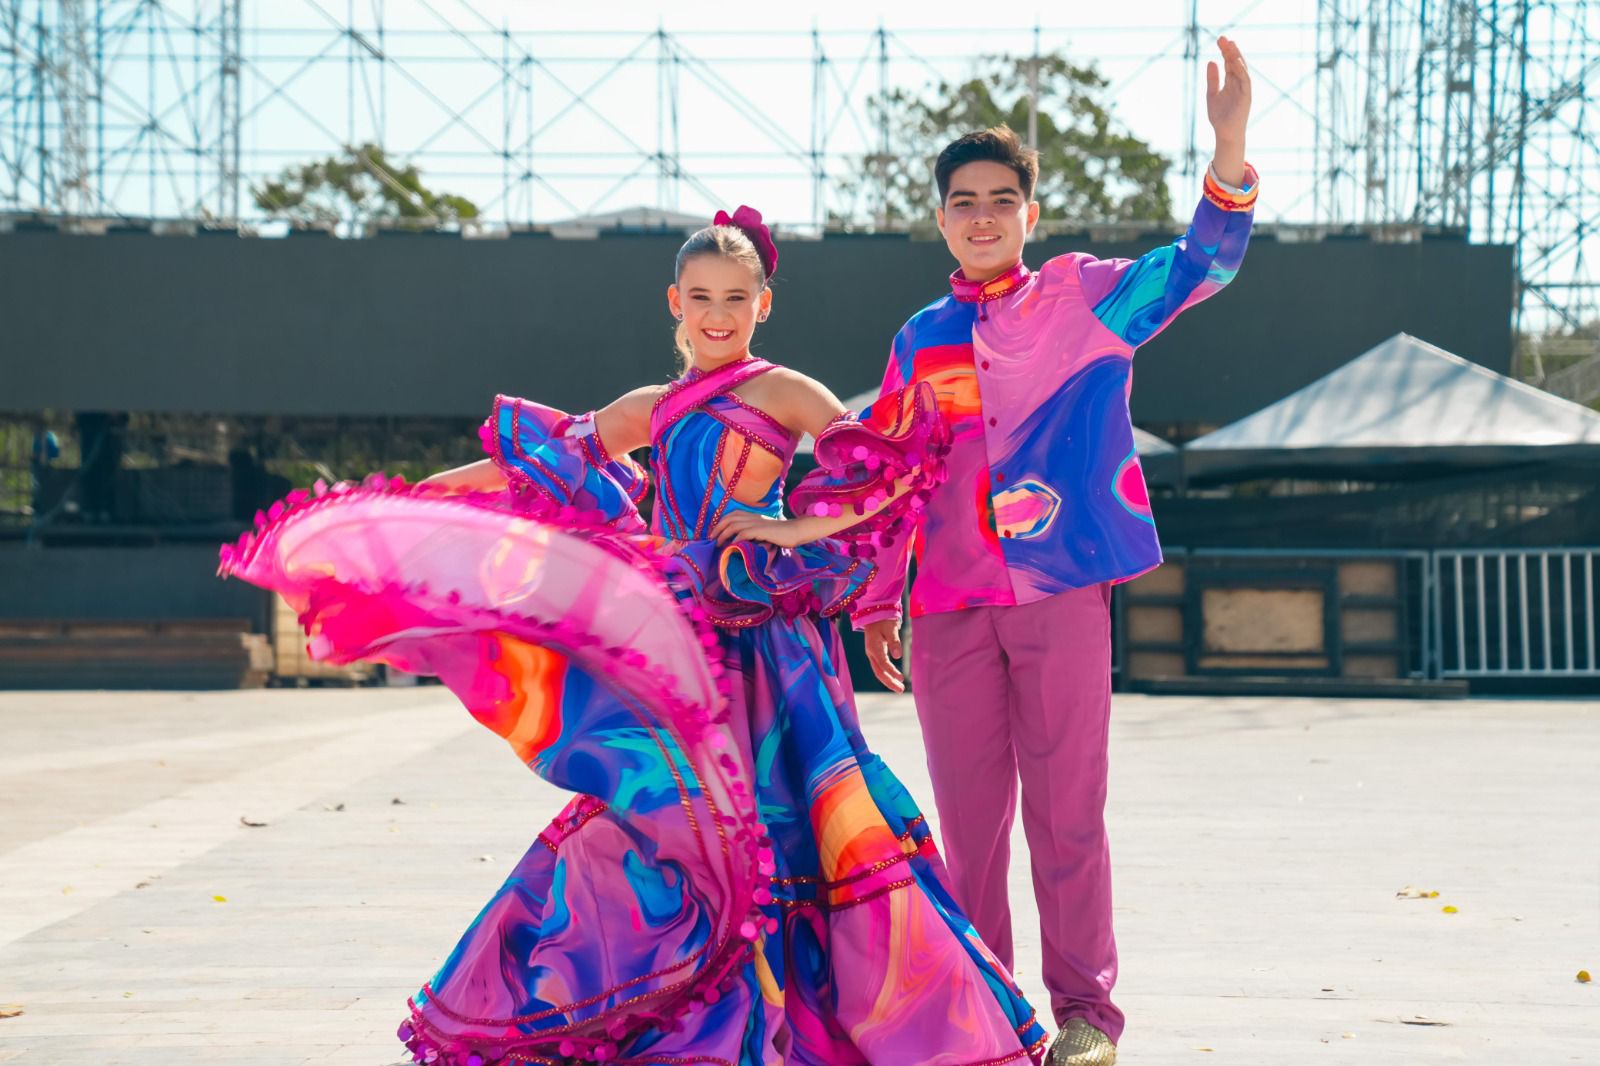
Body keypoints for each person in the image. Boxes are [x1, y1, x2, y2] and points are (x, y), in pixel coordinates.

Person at [220, 206, 1048, 1065]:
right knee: (658, 825)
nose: (717, 313)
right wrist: (413, 499)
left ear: (764, 303)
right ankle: (692, 1019)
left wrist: (787, 534)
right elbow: (537, 465)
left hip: (769, 651)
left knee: (794, 827)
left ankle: (804, 1025)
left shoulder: (787, 391)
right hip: (676, 644)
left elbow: (891, 467)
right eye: (700, 297)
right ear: (674, 303)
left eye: (735, 296)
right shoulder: (650, 407)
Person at [851, 37, 1258, 1066]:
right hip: (944, 606)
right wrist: (871, 598)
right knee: (968, 827)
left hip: (1061, 588)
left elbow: (1203, 265)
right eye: (962, 200)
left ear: (1029, 215)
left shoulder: (1084, 296)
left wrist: (1228, 147)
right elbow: (890, 473)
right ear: (939, 216)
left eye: (1000, 199)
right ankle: (989, 1015)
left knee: (1068, 814)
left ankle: (1084, 1015)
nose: (981, 215)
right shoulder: (914, 338)